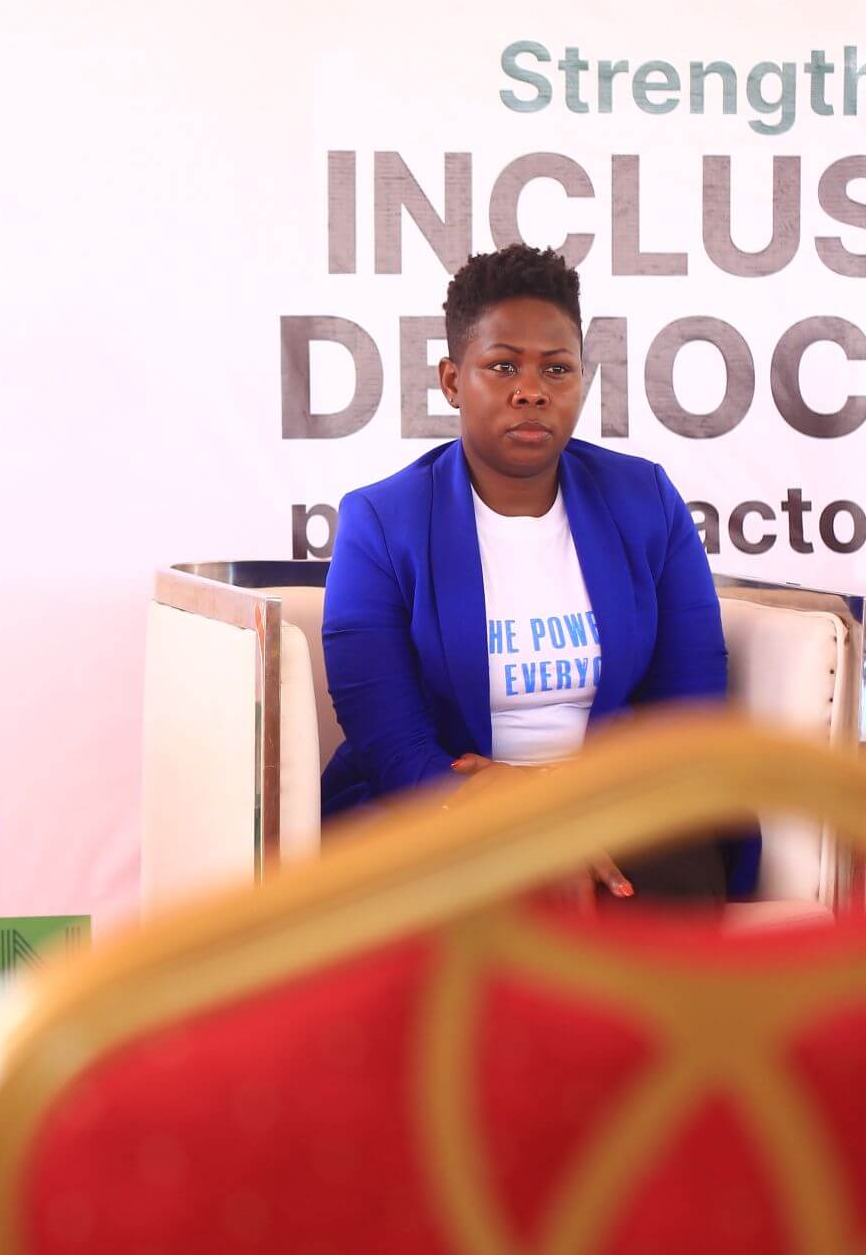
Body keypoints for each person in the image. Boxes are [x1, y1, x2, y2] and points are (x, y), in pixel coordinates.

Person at [319, 243, 757, 902]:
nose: (532, 390)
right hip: (442, 813)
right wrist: (513, 822)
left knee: (676, 874)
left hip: (613, 809)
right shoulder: (380, 522)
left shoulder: (646, 502)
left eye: (557, 369)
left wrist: (571, 812)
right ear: (450, 379)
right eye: (502, 367)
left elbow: (686, 711)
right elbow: (393, 745)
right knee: (492, 888)